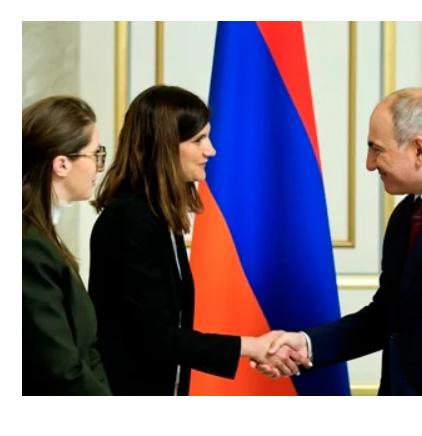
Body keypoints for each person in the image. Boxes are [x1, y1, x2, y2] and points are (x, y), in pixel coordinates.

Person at [259, 88, 422, 395]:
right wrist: (308, 345)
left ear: (419, 150)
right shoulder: (406, 214)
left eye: (377, 149)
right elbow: (389, 316)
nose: (370, 164)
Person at [88, 85, 299, 395]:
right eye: (198, 140)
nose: (210, 150)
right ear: (164, 145)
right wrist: (251, 347)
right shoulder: (129, 220)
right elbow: (154, 336)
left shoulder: (159, 216)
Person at [23, 96, 111, 395]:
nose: (99, 166)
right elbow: (59, 370)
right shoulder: (29, 248)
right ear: (61, 164)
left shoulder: (41, 237)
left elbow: (86, 349)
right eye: (95, 154)